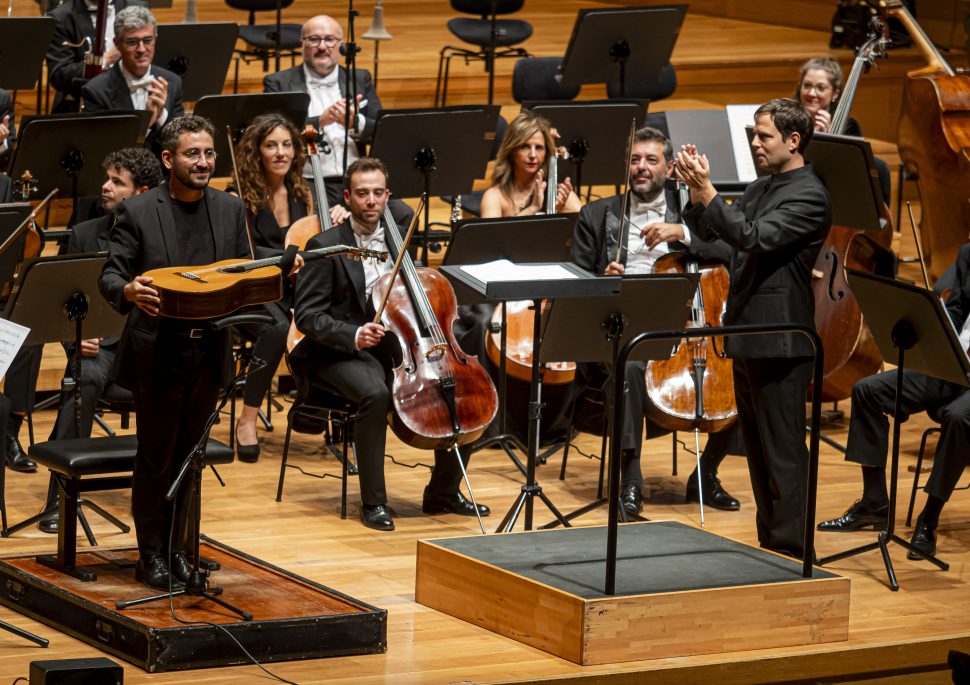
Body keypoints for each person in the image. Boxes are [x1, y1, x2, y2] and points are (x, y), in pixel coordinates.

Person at [100, 115, 260, 589]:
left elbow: (241, 273)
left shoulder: (230, 210)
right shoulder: (139, 211)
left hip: (210, 350)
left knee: (191, 455)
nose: (204, 162)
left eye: (209, 153)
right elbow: (110, 275)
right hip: (158, 352)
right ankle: (150, 555)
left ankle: (181, 550)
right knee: (156, 456)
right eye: (193, 153)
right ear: (169, 159)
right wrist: (128, 290)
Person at [291, 157, 489, 532]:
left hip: (399, 348)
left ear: (387, 196)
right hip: (340, 350)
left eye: (377, 193)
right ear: (347, 197)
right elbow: (309, 317)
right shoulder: (325, 245)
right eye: (362, 193)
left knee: (465, 391)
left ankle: (443, 491)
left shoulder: (399, 238)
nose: (370, 201)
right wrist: (352, 334)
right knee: (374, 394)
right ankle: (374, 502)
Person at [676, 98, 832, 558]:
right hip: (745, 332)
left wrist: (709, 193)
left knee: (783, 452)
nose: (755, 142)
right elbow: (722, 240)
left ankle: (794, 552)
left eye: (764, 135)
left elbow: (753, 237)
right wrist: (693, 193)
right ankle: (772, 547)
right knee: (760, 453)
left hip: (782, 339)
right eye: (754, 135)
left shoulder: (809, 193)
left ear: (793, 140)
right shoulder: (763, 187)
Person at [570, 126, 743, 515]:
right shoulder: (596, 215)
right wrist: (602, 283)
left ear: (669, 169)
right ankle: (630, 479)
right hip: (622, 327)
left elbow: (736, 249)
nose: (642, 168)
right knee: (629, 366)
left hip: (691, 327)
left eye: (651, 160)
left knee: (743, 370)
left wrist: (682, 233)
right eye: (634, 159)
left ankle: (707, 473)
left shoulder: (692, 212)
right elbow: (574, 281)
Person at [36, 147, 163, 533]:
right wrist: (76, 343)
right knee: (85, 378)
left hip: (150, 345)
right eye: (106, 178)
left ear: (140, 192)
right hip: (102, 347)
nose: (104, 187)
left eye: (116, 182)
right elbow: (61, 301)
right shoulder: (83, 234)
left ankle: (166, 502)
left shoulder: (163, 236)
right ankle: (60, 498)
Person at [818, 242, 970, 559]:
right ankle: (874, 502)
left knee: (958, 418)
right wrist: (938, 335)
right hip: (956, 362)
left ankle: (929, 519)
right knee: (868, 390)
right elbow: (957, 309)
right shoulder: (969, 252)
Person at [229, 113, 347, 460]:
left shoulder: (304, 192)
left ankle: (317, 404)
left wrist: (338, 216)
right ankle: (246, 420)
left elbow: (317, 240)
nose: (280, 152)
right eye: (271, 145)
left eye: (286, 145)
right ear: (256, 152)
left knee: (329, 315)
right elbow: (240, 251)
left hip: (294, 288)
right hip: (253, 289)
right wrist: (284, 256)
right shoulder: (238, 195)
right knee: (278, 328)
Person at [81, 6, 184, 148]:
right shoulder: (96, 91)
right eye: (132, 42)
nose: (141, 49)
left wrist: (160, 116)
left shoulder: (172, 82)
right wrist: (145, 125)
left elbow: (179, 145)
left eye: (147, 40)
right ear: (117, 44)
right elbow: (102, 149)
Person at [794, 56, 891, 203]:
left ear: (835, 94)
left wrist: (828, 140)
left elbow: (854, 179)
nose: (811, 93)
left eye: (820, 88)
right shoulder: (787, 122)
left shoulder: (849, 127)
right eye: (807, 85)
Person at [480, 109, 581, 218]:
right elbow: (492, 235)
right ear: (511, 151)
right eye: (524, 146)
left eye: (539, 148)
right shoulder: (494, 197)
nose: (533, 155)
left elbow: (588, 229)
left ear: (545, 154)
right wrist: (532, 209)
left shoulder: (560, 195)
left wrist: (563, 212)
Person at [46, 0, 143, 113]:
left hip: (130, 101)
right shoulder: (61, 17)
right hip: (80, 105)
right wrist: (104, 60)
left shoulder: (136, 7)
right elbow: (59, 75)